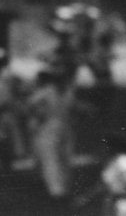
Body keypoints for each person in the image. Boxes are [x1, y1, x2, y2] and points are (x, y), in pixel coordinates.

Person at [29, 70, 76, 201]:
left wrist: (39, 113)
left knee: (57, 158)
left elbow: (31, 102)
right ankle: (60, 189)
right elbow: (32, 103)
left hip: (57, 125)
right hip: (58, 124)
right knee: (57, 158)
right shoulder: (59, 91)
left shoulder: (54, 90)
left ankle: (59, 190)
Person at [75, 132, 126, 216]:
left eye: (107, 147)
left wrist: (86, 197)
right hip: (115, 197)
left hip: (122, 199)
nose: (105, 150)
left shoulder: (123, 161)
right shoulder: (118, 160)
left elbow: (107, 182)